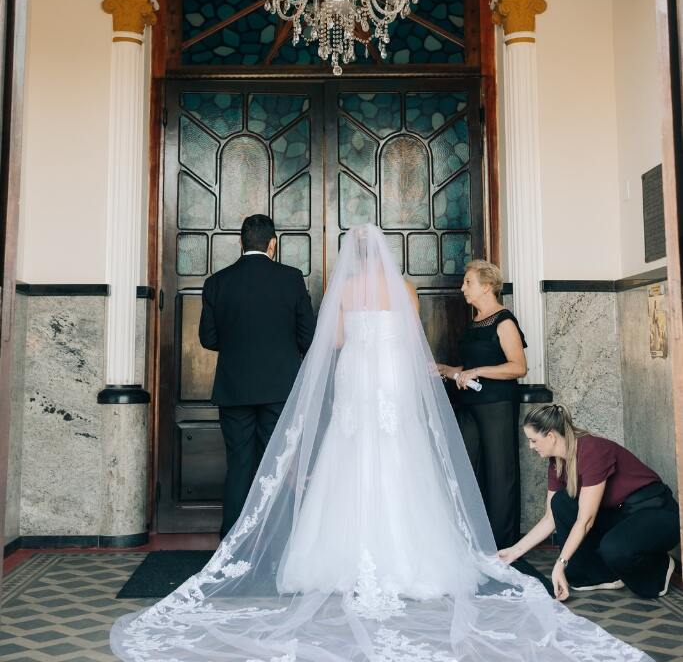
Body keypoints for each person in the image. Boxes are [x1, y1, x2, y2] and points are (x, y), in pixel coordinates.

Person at [111, 226, 655, 662]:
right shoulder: (407, 289)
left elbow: (338, 341)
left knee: (347, 453)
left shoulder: (343, 290)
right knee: (401, 455)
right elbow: (409, 338)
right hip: (392, 376)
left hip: (354, 375)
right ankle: (414, 554)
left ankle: (310, 553)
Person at [198, 213, 316, 537]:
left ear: (241, 242)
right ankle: (274, 540)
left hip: (234, 389)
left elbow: (207, 339)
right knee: (276, 463)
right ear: (273, 245)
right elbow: (309, 337)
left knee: (239, 464)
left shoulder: (216, 282)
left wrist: (237, 346)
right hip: (279, 388)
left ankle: (232, 542)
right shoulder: (291, 278)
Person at [500, 403, 679, 602]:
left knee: (614, 549)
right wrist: (513, 552)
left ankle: (659, 567)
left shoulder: (592, 450)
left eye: (533, 440)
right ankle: (602, 575)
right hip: (621, 514)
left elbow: (586, 520)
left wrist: (560, 564)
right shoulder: (556, 463)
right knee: (561, 502)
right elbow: (550, 518)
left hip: (656, 511)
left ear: (550, 436)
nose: (531, 446)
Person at [437, 259, 528, 547]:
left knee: (500, 474)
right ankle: (478, 539)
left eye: (468, 283)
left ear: (487, 286)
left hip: (497, 406)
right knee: (473, 468)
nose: (462, 287)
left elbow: (518, 367)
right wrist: (446, 370)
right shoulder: (475, 321)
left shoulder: (504, 320)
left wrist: (478, 372)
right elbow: (471, 366)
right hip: (469, 405)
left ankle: (503, 545)